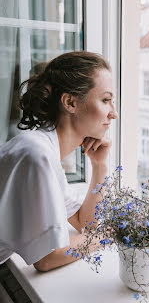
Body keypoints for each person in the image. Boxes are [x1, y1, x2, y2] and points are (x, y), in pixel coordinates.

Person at [0, 51, 118, 272]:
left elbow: (85, 223)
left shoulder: (44, 150)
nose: (114, 113)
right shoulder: (37, 154)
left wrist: (99, 165)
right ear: (70, 102)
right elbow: (46, 259)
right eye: (106, 100)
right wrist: (107, 236)